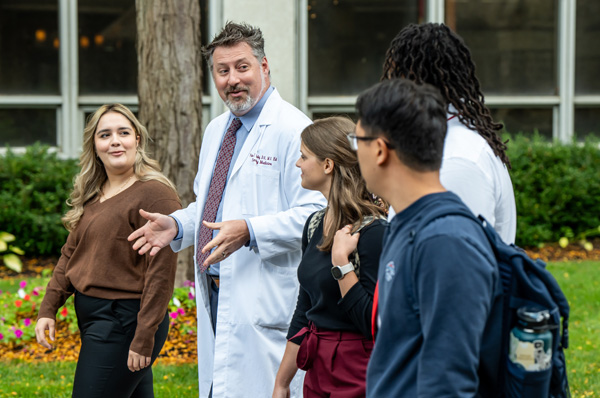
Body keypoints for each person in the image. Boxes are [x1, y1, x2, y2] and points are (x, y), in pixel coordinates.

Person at [127, 22, 325, 397]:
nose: (233, 79)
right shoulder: (217, 129)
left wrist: (250, 229)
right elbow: (209, 205)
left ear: (264, 67)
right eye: (222, 71)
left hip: (266, 297)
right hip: (217, 292)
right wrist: (177, 225)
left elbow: (317, 214)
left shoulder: (293, 129)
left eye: (242, 67)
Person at [353, 79, 503, 397]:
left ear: (379, 149)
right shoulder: (406, 224)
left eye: (358, 141)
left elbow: (449, 380)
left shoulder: (445, 242)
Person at [35, 104, 181, 397]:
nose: (115, 140)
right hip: (96, 319)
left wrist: (143, 337)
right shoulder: (94, 192)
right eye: (105, 135)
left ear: (137, 140)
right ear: (95, 146)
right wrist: (48, 307)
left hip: (124, 322)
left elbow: (161, 274)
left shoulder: (155, 194)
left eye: (123, 132)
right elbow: (70, 255)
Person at [272, 117, 387, 398]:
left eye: (303, 156)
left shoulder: (374, 231)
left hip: (359, 372)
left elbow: (371, 322)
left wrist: (341, 264)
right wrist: (282, 383)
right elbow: (305, 309)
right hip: (318, 369)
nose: (297, 164)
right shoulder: (314, 225)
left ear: (327, 165)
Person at [382, 22, 517, 244]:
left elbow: (459, 263)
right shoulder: (443, 144)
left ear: (415, 79)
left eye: (395, 77)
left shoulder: (458, 160)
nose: (389, 92)